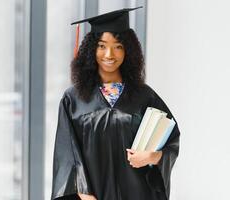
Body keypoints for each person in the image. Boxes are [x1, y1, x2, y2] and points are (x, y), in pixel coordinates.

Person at [51, 7, 180, 200]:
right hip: (92, 195)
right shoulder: (74, 99)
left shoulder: (144, 96)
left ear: (128, 50)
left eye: (118, 46)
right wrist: (81, 191)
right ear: (91, 50)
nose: (109, 54)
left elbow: (172, 139)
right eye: (102, 46)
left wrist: (153, 157)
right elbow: (66, 152)